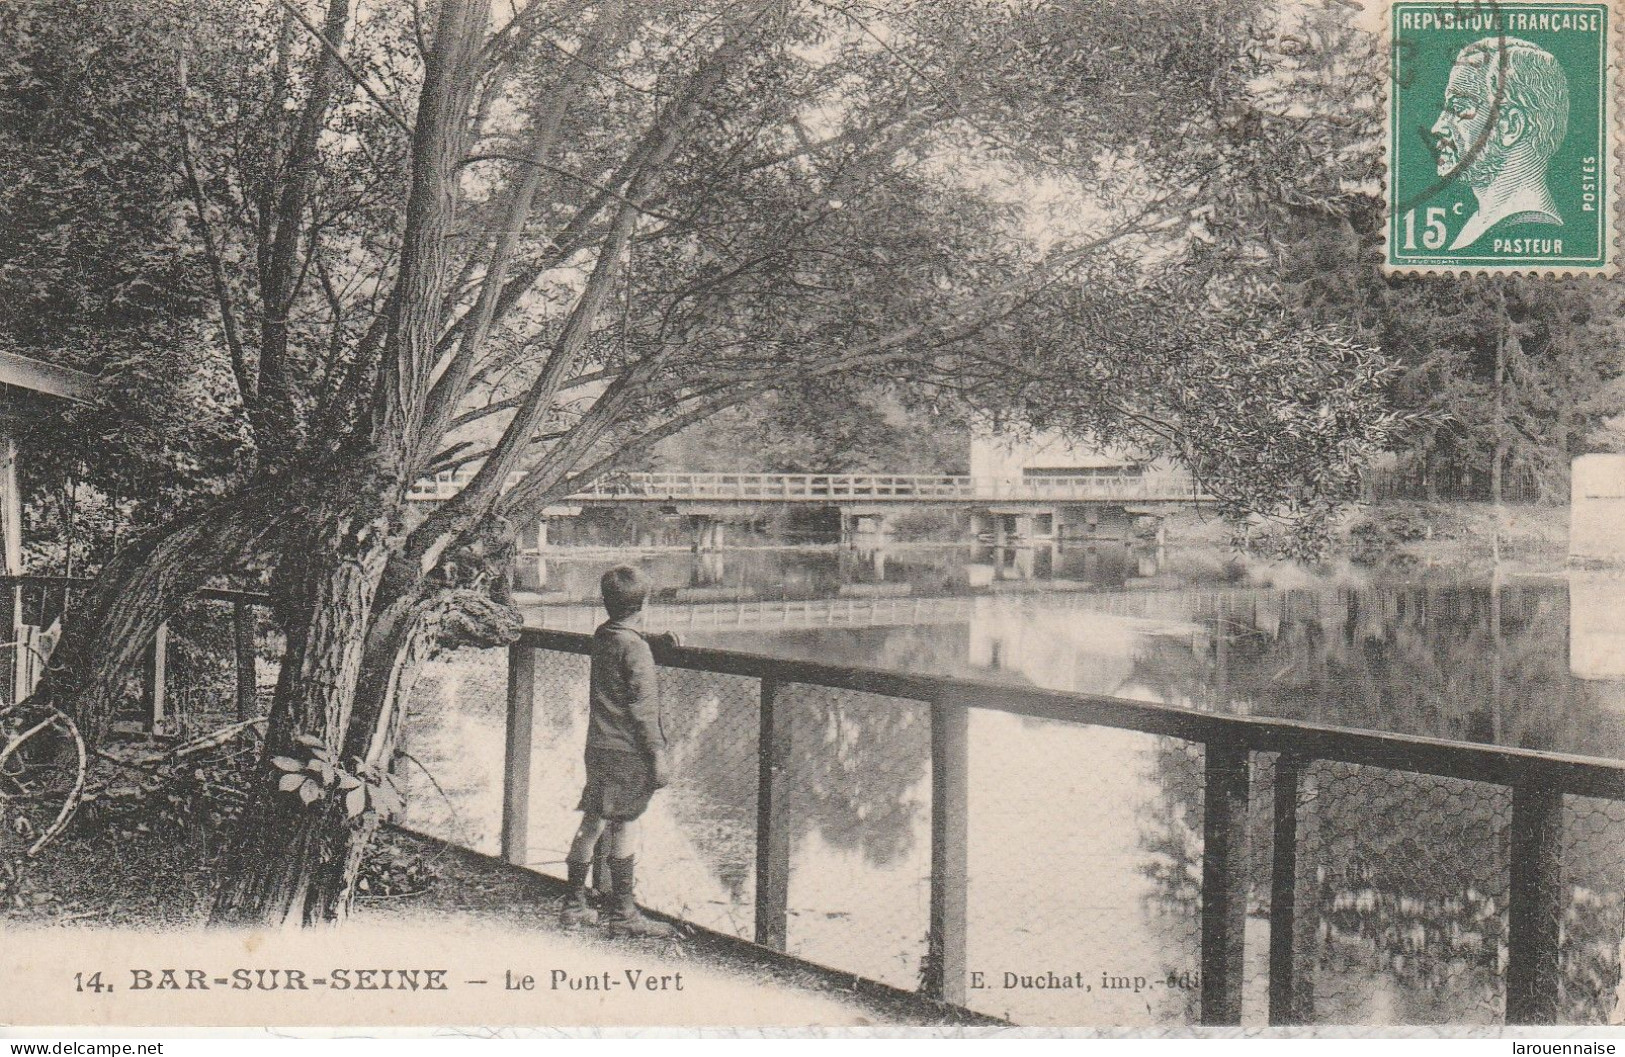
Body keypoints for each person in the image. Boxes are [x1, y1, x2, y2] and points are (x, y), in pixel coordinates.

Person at [558, 565, 678, 936]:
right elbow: (643, 708)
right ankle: (623, 913)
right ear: (644, 603)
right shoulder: (634, 648)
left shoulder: (604, 634)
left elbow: (624, 640)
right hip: (628, 751)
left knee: (592, 822)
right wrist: (658, 754)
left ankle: (574, 905)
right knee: (625, 825)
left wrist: (653, 641)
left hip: (598, 747)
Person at [1431, 36, 1570, 250]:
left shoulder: (1529, 227)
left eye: (1459, 108)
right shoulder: (1477, 225)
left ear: (1510, 127)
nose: (1437, 127)